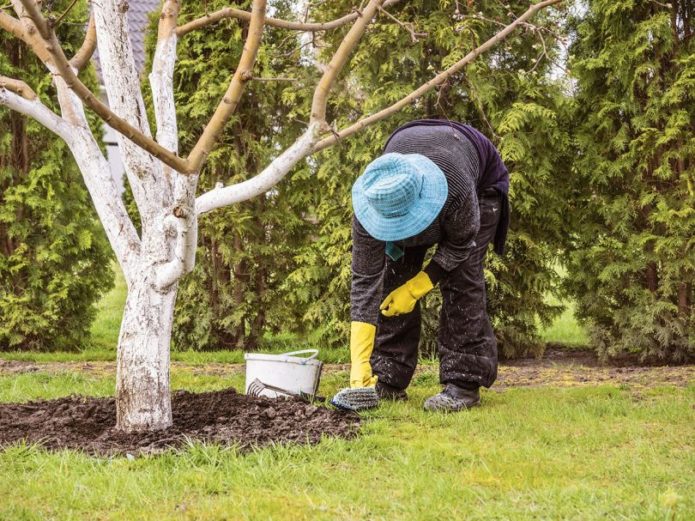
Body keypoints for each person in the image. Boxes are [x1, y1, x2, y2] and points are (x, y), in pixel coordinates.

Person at [331, 119, 509, 412]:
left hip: (478, 182)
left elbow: (461, 244)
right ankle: (386, 376)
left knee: (462, 278)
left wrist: (417, 288)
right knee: (394, 276)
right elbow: (365, 280)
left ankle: (463, 384)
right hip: (424, 155)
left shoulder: (456, 187)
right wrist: (359, 362)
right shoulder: (374, 196)